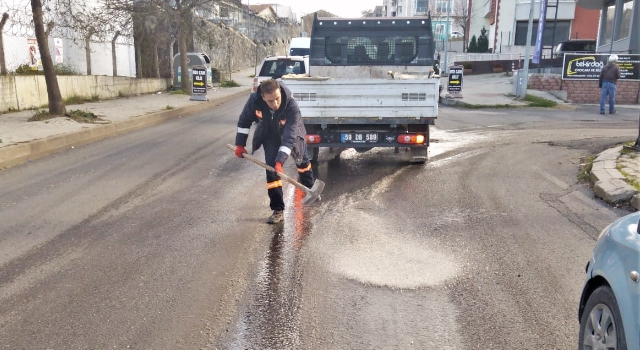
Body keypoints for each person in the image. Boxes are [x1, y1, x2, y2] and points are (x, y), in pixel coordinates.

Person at [234, 79, 316, 224]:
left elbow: (290, 136)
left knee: (302, 162)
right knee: (272, 170)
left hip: (292, 134)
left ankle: (310, 190)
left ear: (280, 93)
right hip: (270, 135)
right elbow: (244, 121)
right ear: (263, 97)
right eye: (270, 101)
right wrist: (240, 144)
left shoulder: (291, 104)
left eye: (277, 99)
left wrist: (281, 160)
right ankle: (278, 209)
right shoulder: (254, 100)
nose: (275, 104)